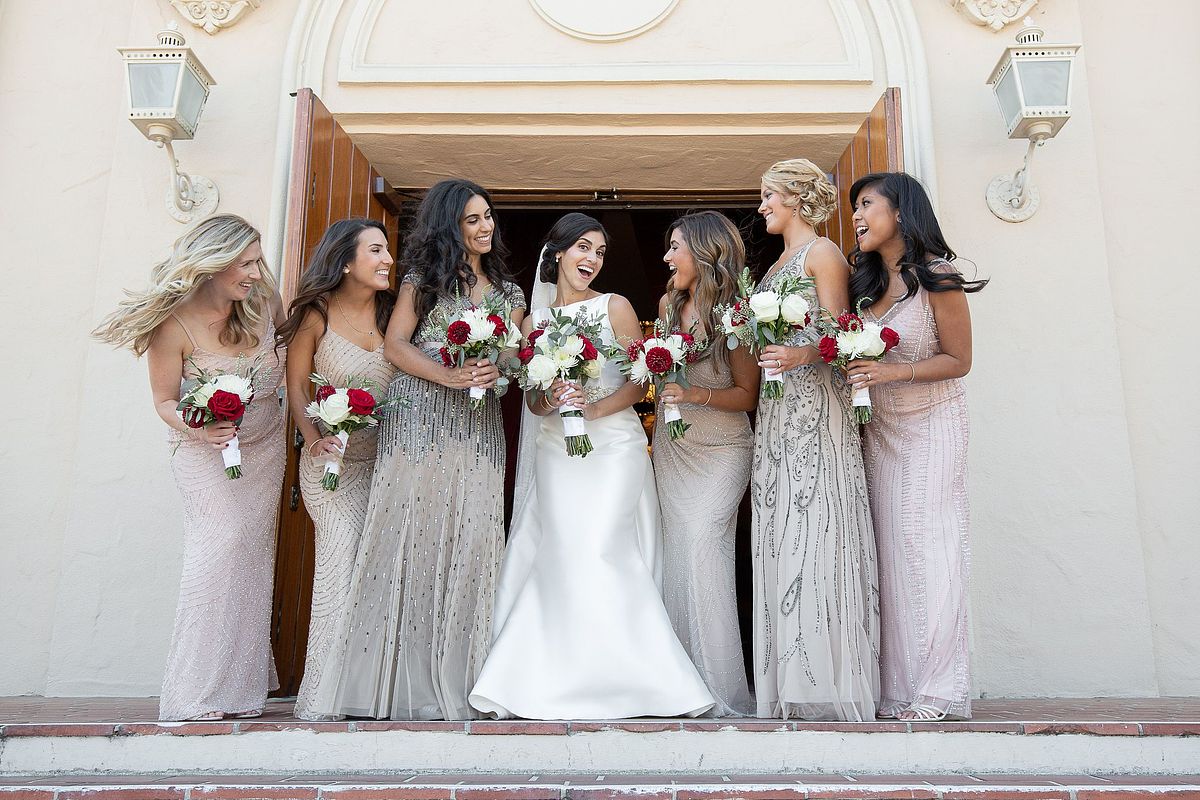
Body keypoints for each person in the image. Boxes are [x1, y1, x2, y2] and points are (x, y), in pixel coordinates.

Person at [468, 213, 714, 719]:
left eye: (600, 252)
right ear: (557, 253)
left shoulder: (615, 307)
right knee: (563, 551)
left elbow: (639, 381)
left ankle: (637, 680)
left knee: (603, 547)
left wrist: (593, 407)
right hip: (557, 453)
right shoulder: (531, 326)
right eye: (583, 248)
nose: (591, 260)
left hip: (615, 448)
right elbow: (532, 403)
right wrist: (553, 399)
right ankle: (553, 678)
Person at [308, 179, 525, 720]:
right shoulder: (420, 281)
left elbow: (515, 358)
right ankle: (387, 683)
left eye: (488, 217)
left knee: (473, 535)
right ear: (451, 224)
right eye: (472, 219)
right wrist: (449, 375)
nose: (484, 227)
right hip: (417, 419)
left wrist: (499, 367)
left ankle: (461, 678)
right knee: (410, 533)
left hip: (477, 427)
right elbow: (395, 345)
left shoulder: (510, 293)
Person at [92, 214, 285, 721]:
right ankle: (192, 694)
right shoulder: (171, 326)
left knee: (250, 556)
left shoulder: (263, 300)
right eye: (244, 263)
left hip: (264, 448)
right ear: (213, 265)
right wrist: (202, 427)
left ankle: (239, 691)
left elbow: (293, 350)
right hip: (205, 454)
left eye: (256, 260)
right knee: (215, 554)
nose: (255, 271)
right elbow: (164, 401)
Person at [845, 172, 986, 721]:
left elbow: (959, 360)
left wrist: (890, 372)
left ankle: (938, 689)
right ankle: (899, 688)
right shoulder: (865, 284)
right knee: (893, 556)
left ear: (900, 211)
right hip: (881, 432)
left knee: (932, 549)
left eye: (865, 204)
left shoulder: (937, 278)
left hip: (932, 425)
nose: (856, 216)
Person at [751, 159, 880, 721]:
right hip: (778, 414)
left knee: (813, 525)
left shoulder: (823, 254)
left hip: (813, 410)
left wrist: (798, 353)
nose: (761, 207)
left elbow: (838, 336)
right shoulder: (777, 262)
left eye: (768, 196)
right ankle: (791, 679)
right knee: (783, 532)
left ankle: (824, 682)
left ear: (797, 199)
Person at [274, 218, 398, 720]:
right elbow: (298, 387)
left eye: (388, 250)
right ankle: (323, 693)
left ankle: (366, 692)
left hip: (383, 464)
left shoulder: (395, 315)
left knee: (373, 565)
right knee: (342, 548)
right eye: (376, 250)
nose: (388, 258)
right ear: (346, 260)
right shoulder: (315, 313)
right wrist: (314, 435)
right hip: (331, 464)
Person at [652, 211, 759, 717]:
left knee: (702, 549)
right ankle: (678, 684)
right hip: (674, 449)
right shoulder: (668, 306)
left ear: (704, 251)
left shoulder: (736, 315)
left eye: (676, 247)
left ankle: (718, 689)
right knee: (677, 555)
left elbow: (746, 394)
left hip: (721, 450)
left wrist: (693, 391)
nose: (668, 257)